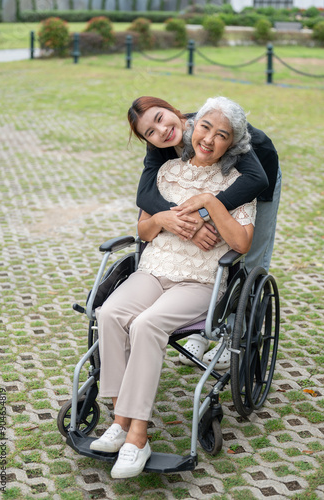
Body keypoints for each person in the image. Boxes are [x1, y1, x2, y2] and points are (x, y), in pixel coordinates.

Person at [89, 96, 256, 479]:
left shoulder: (237, 183)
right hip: (153, 271)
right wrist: (163, 218)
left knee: (147, 325)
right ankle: (120, 417)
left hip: (198, 280)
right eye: (205, 129)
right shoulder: (167, 172)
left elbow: (242, 244)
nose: (210, 139)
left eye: (222, 135)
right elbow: (143, 230)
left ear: (232, 142)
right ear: (191, 126)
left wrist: (210, 205)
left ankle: (137, 436)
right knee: (111, 312)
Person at [128, 96, 281, 367]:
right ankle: (198, 334)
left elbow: (256, 179)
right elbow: (146, 196)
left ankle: (236, 334)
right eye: (150, 132)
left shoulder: (211, 128)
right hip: (208, 190)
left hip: (256, 179)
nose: (161, 131)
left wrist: (203, 215)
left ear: (174, 111)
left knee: (248, 257)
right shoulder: (159, 147)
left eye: (161, 118)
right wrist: (183, 224)